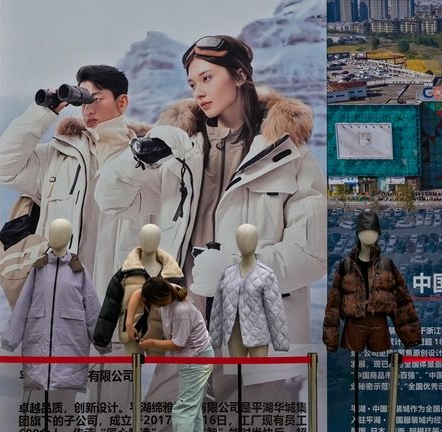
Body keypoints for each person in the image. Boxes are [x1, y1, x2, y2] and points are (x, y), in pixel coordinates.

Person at [95, 34, 327, 429]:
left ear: (239, 75)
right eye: (192, 84)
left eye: (207, 78)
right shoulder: (176, 150)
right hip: (182, 317)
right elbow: (109, 199)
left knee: (252, 423)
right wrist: (140, 156)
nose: (199, 92)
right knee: (160, 420)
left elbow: (311, 255)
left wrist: (237, 266)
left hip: (255, 331)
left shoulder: (291, 157)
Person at [0, 64, 151, 298]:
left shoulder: (144, 162)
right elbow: (3, 166)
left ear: (122, 103)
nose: (88, 109)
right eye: (84, 101)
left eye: (96, 99)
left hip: (116, 300)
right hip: (59, 299)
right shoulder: (57, 157)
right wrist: (42, 112)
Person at [130, 277, 213, 432]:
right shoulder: (170, 289)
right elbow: (137, 294)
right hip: (196, 356)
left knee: (183, 410)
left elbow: (178, 343)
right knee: (193, 409)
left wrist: (151, 343)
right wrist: (129, 324)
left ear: (157, 300)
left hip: (196, 358)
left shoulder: (181, 311)